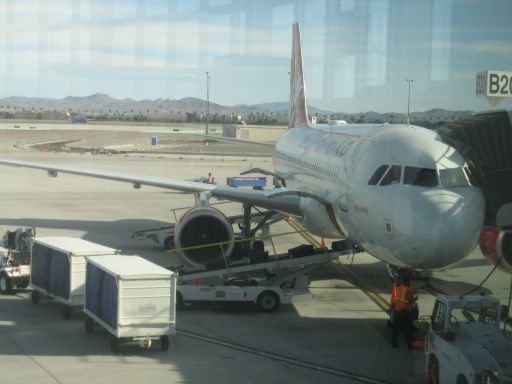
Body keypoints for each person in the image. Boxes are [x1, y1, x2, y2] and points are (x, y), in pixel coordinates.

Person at [391, 276, 416, 349]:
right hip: (405, 313)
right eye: (409, 281)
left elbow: (394, 300)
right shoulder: (408, 289)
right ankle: (409, 345)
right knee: (407, 330)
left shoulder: (397, 289)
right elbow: (410, 300)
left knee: (396, 329)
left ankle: (394, 343)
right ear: (407, 282)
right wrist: (415, 298)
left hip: (397, 312)